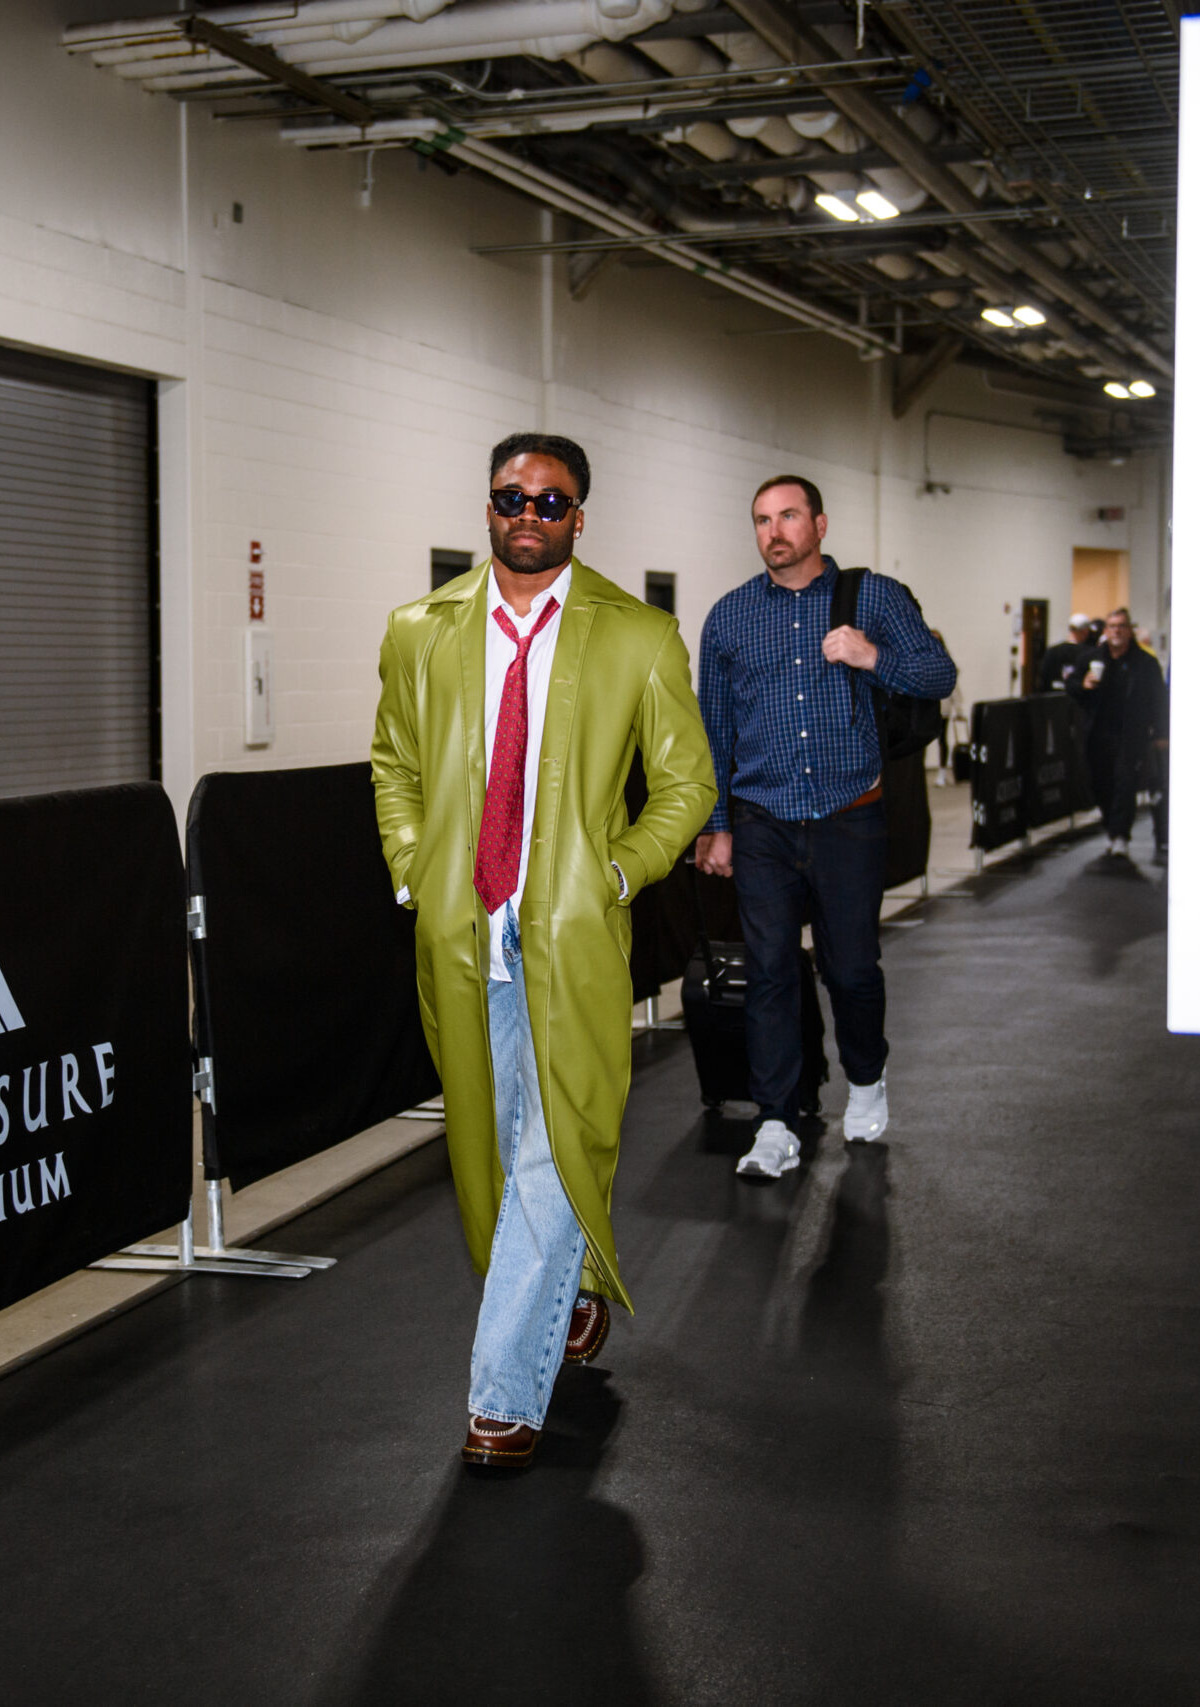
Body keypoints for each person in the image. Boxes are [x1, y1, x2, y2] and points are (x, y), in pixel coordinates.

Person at [372, 432, 715, 1470]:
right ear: (486, 507)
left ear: (580, 515)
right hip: (460, 930)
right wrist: (411, 868)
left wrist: (613, 874)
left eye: (552, 499)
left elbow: (687, 784)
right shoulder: (417, 632)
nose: (529, 513)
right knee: (486, 1153)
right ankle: (557, 1295)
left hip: (571, 937)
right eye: (510, 496)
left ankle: (501, 1398)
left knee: (554, 1148)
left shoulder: (639, 638)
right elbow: (393, 762)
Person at [694, 476, 958, 1180]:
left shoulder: (873, 598)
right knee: (772, 972)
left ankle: (866, 1079)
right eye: (761, 520)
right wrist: (716, 824)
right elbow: (714, 730)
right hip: (762, 822)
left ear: (820, 523)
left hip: (849, 816)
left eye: (787, 516)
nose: (773, 531)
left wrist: (873, 656)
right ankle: (776, 1119)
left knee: (850, 967)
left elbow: (938, 673)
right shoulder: (728, 617)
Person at [1070, 606, 1167, 859]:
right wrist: (1083, 684)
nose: (1117, 631)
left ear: (1129, 630)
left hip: (1131, 734)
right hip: (1097, 734)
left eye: (1122, 626)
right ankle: (1112, 830)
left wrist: (1161, 732)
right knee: (1101, 784)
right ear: (1106, 630)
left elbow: (1159, 699)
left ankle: (1120, 835)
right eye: (1112, 626)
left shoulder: (1145, 663)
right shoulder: (1091, 659)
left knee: (1126, 784)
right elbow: (1071, 686)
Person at [1036, 612, 1096, 693]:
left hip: (1053, 698)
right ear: (1085, 631)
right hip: (1078, 699)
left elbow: (1043, 679)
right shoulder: (1089, 653)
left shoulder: (1052, 651)